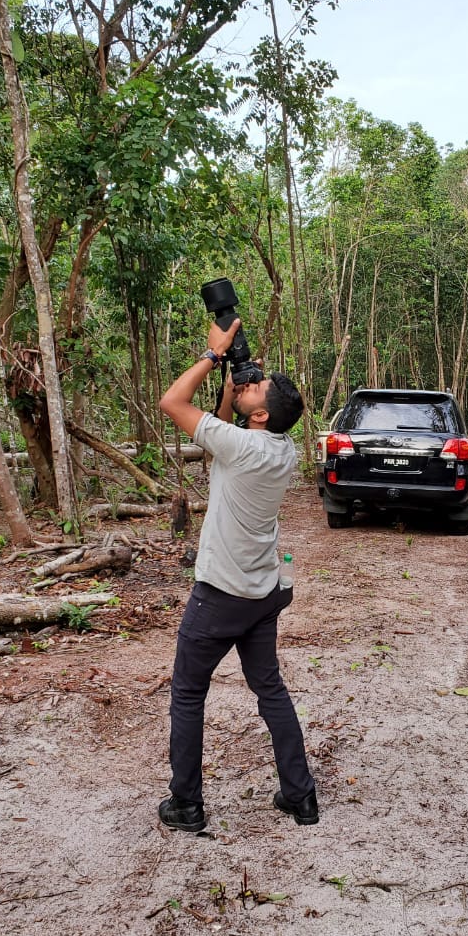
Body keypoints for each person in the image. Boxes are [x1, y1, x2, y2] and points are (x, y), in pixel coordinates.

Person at [156, 316, 318, 833]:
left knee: (187, 692)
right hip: (262, 592)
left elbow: (172, 404)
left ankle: (186, 803)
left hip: (220, 593)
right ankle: (301, 797)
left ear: (262, 414)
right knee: (269, 688)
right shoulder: (279, 447)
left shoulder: (245, 446)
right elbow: (219, 432)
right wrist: (232, 387)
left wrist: (212, 354)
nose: (251, 384)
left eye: (257, 389)